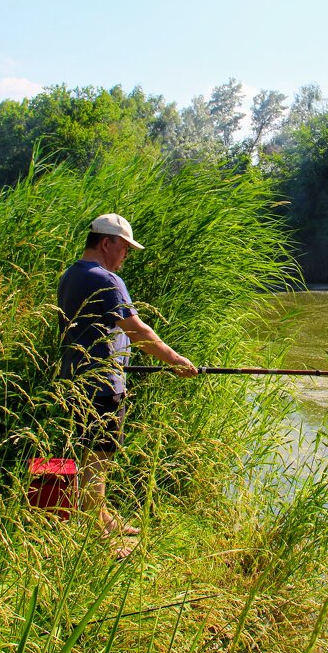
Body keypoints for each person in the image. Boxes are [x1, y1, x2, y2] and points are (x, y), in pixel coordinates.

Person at [56, 213, 197, 554]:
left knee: (82, 452)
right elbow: (138, 331)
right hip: (101, 386)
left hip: (73, 377)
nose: (126, 256)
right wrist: (175, 359)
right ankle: (98, 534)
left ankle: (98, 517)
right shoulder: (106, 280)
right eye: (124, 249)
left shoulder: (70, 275)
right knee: (98, 458)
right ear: (107, 243)